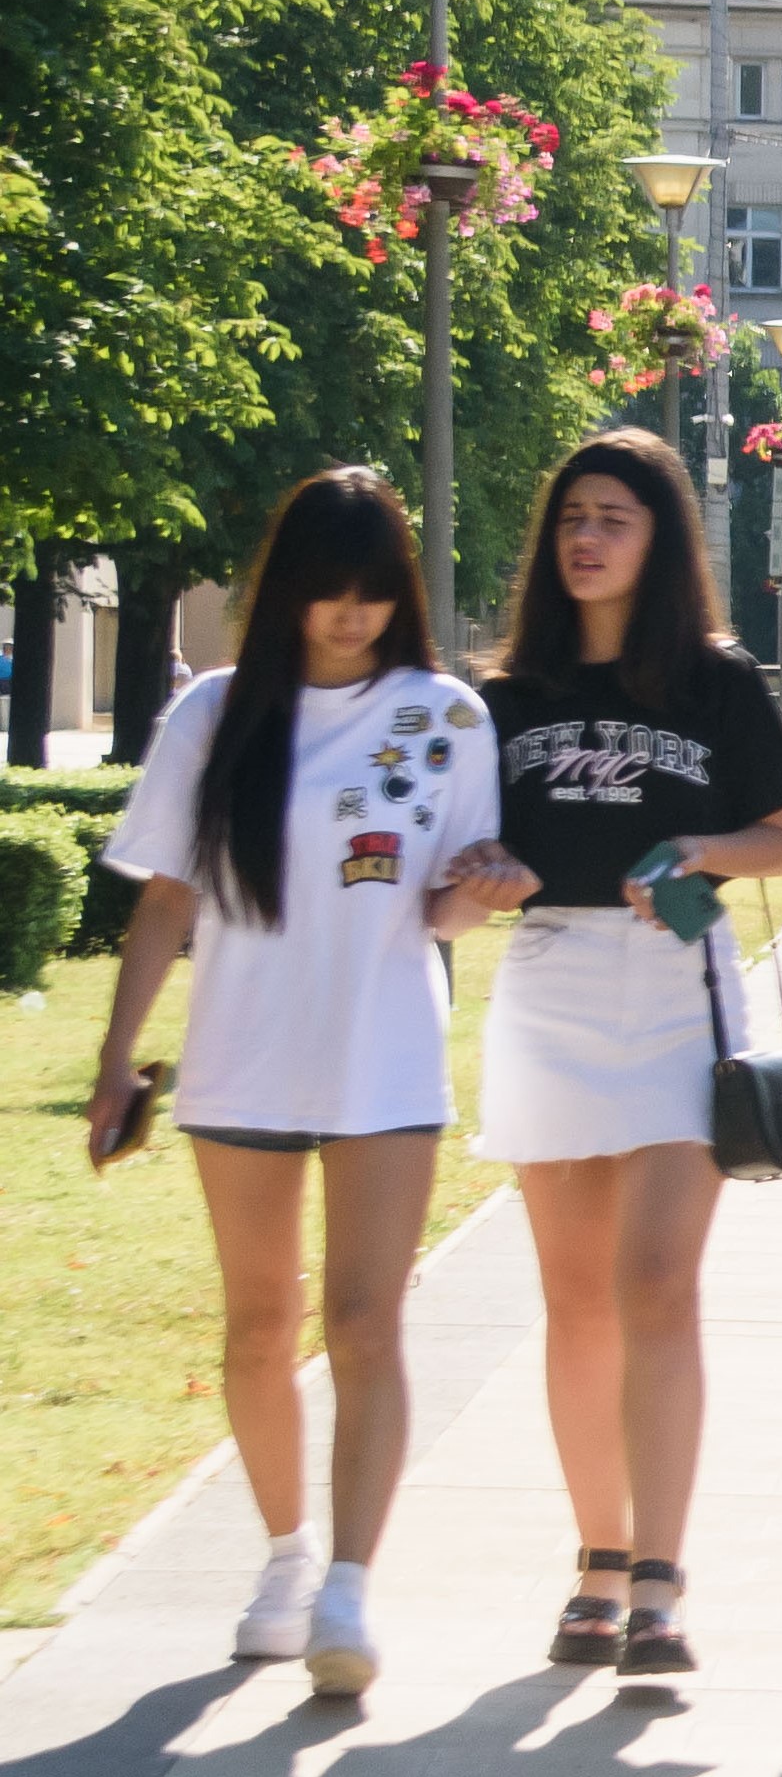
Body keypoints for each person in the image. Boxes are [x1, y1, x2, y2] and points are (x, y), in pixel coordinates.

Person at [87, 472, 531, 1696]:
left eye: (372, 591)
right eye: (327, 590)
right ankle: (284, 1559)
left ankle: (348, 1584)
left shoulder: (446, 716)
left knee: (364, 1321)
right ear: (284, 589)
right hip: (242, 1054)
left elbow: (445, 909)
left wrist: (485, 889)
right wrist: (117, 1057)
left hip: (385, 1056)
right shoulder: (216, 712)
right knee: (257, 1324)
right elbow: (166, 898)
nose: (349, 613)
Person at [473, 431, 782, 1679]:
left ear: (659, 537)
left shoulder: (713, 678)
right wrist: (483, 870)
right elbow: (467, 853)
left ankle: (662, 1582)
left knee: (658, 1281)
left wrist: (703, 852)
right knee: (574, 1299)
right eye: (573, 516)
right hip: (551, 982)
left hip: (677, 985)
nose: (588, 537)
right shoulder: (507, 694)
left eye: (614, 517)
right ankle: (599, 1566)